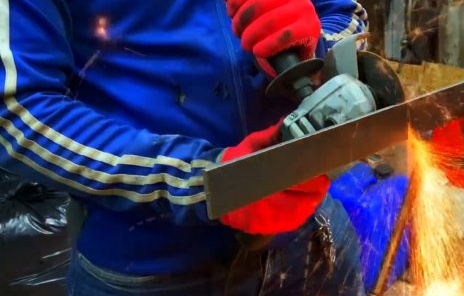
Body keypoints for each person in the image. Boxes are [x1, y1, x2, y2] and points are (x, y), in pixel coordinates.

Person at [0, 0, 406, 295]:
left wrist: (314, 45)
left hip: (310, 235)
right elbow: (20, 114)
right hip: (156, 268)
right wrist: (202, 178)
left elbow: (346, 14)